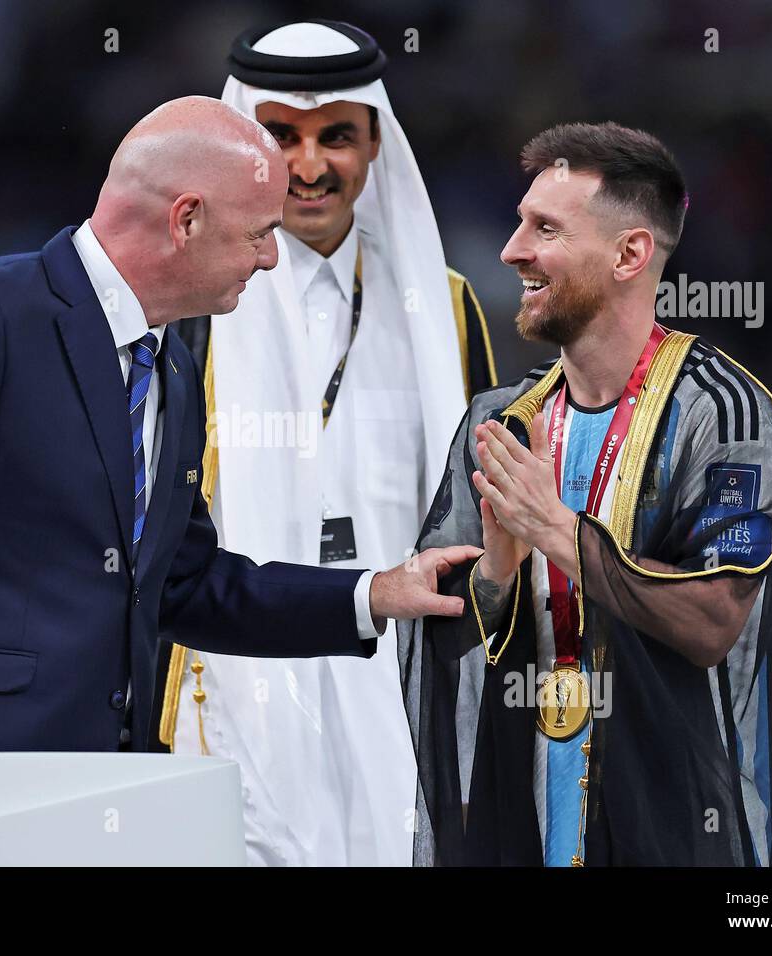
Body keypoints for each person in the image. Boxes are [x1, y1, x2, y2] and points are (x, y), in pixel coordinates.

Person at [0, 97, 479, 753]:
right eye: (258, 233)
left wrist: (377, 593)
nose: (273, 259)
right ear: (186, 221)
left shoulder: (172, 362)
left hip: (99, 789)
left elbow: (186, 581)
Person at [400, 122, 772, 866]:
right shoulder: (501, 422)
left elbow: (712, 619)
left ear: (630, 254)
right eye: (520, 222)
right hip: (519, 815)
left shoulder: (723, 412)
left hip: (676, 822)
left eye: (544, 229)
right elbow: (437, 630)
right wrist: (494, 571)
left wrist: (558, 534)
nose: (512, 249)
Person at [158, 20, 498, 868]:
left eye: (336, 136)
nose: (310, 167)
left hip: (391, 672)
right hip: (230, 672)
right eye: (281, 136)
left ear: (375, 142)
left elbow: (479, 509)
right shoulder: (187, 310)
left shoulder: (443, 308)